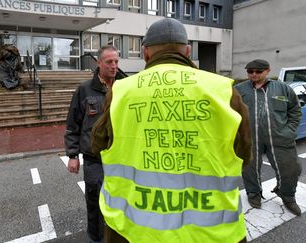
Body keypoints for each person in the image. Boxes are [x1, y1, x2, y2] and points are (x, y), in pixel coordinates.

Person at [91, 18, 251, 243]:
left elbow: (98, 146)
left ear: (145, 53)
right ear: (187, 51)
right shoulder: (222, 90)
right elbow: (243, 156)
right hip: (211, 232)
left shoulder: (121, 91)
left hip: (133, 230)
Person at [64, 45, 119, 243]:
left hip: (120, 160)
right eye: (109, 62)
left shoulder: (124, 87)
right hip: (94, 160)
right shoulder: (84, 90)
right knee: (95, 205)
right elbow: (73, 123)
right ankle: (96, 240)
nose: (114, 66)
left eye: (116, 61)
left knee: (120, 204)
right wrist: (72, 155)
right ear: (98, 63)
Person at [235, 59, 302, 216]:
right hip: (249, 139)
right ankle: (254, 194)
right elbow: (229, 111)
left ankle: (287, 196)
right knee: (249, 169)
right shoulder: (238, 90)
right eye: (250, 71)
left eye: (258, 71)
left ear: (267, 71)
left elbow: (295, 111)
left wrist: (290, 130)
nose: (254, 75)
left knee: (291, 169)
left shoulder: (282, 88)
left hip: (280, 138)